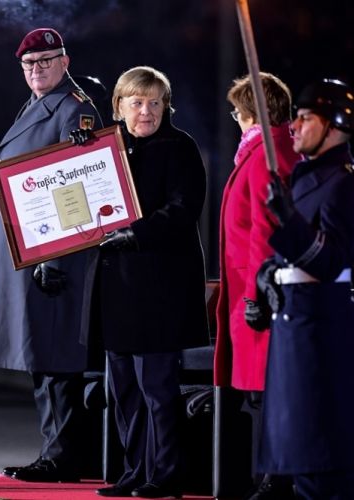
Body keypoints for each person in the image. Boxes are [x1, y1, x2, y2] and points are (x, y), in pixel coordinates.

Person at [0, 27, 102, 483]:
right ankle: (57, 451)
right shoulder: (37, 104)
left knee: (55, 357)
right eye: (29, 65)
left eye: (46, 61)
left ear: (65, 62)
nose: (37, 70)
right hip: (29, 249)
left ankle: (63, 455)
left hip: (54, 255)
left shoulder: (75, 110)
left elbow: (77, 184)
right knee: (41, 359)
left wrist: (54, 256)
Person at [87, 66, 209, 498]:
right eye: (136, 103)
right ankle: (135, 469)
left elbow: (182, 210)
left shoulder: (179, 147)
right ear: (118, 106)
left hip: (160, 290)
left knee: (156, 388)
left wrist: (134, 233)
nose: (146, 111)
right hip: (118, 289)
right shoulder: (108, 150)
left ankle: (166, 471)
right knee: (123, 389)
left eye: (155, 102)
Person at [258, 78, 354, 499]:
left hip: (322, 331)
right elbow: (290, 256)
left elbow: (329, 260)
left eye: (306, 118)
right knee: (304, 461)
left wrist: (286, 223)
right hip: (295, 324)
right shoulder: (309, 177)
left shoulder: (348, 183)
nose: (295, 126)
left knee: (327, 464)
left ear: (335, 125)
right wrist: (266, 276)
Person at [211, 73, 300, 499]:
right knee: (263, 394)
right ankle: (270, 476)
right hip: (252, 291)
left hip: (259, 295)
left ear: (252, 112)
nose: (236, 119)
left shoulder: (269, 152)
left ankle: (275, 479)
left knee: (270, 393)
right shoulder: (266, 149)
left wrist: (255, 295)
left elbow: (266, 232)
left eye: (238, 112)